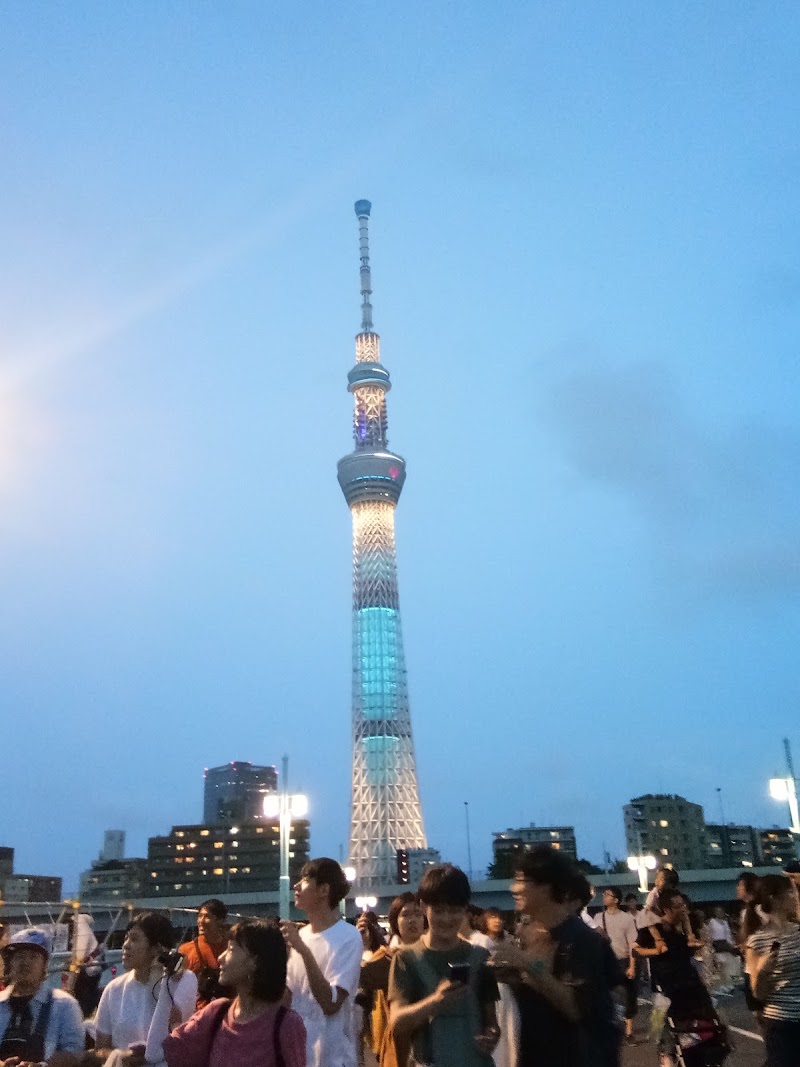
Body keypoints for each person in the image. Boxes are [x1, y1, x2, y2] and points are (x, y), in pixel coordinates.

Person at [493, 847, 619, 1067]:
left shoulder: (581, 939)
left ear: (546, 886)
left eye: (521, 881)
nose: (513, 889)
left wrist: (526, 963)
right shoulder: (528, 932)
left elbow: (575, 1008)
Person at [389, 864, 499, 1067]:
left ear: (466, 909)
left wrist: (491, 1034)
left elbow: (491, 1020)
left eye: (455, 910)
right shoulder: (406, 958)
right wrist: (435, 1002)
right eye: (438, 911)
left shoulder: (480, 957)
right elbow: (396, 1023)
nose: (446, 919)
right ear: (423, 907)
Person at [158, 918, 306, 1067]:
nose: (220, 958)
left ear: (254, 961)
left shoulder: (286, 1025)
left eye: (230, 950)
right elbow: (171, 1050)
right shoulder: (217, 1012)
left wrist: (176, 1023)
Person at [282, 858, 362, 1067]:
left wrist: (302, 950)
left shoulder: (349, 937)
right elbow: (287, 998)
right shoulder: (301, 935)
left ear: (324, 890)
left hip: (333, 1057)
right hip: (298, 1054)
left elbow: (330, 1003)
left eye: (306, 880)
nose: (296, 886)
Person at [92, 912, 198, 1067]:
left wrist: (158, 975)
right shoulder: (113, 989)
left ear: (157, 949)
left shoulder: (181, 982)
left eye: (134, 939)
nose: (126, 945)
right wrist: (121, 1056)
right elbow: (100, 1050)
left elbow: (167, 1038)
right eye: (126, 938)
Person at [633, 887, 714, 1067]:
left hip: (687, 984)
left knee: (697, 1025)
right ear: (667, 909)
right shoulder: (653, 929)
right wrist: (656, 951)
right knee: (661, 1030)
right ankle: (666, 1057)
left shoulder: (680, 930)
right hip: (664, 987)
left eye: (683, 905)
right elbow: (636, 949)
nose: (682, 909)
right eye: (678, 906)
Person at [0, 927, 84, 1066]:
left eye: (33, 957)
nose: (25, 962)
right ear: (10, 963)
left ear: (45, 966)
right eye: (20, 956)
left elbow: (75, 1053)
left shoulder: (65, 1005)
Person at [359, 894, 424, 1067]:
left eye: (417, 914)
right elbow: (359, 976)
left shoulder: (434, 954)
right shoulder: (387, 957)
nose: (412, 920)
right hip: (398, 1045)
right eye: (405, 915)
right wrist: (362, 946)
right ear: (395, 921)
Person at [745, 873, 800, 1066]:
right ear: (774, 898)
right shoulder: (757, 941)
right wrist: (764, 971)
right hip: (782, 1023)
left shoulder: (798, 932)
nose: (794, 897)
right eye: (790, 893)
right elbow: (758, 994)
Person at [594, 887, 638, 1043]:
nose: (604, 896)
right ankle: (611, 1026)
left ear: (616, 900)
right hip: (605, 960)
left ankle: (629, 1031)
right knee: (607, 994)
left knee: (628, 994)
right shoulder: (598, 917)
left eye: (607, 894)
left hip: (623, 959)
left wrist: (632, 965)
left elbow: (633, 943)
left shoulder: (626, 919)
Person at [179, 899, 230, 1009]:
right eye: (199, 916)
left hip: (227, 1011)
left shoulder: (230, 948)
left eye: (207, 917)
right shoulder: (186, 950)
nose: (201, 921)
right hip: (197, 1014)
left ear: (220, 921)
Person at [705, 906, 740, 994]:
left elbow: (728, 934)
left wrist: (731, 944)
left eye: (722, 912)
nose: (720, 913)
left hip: (726, 945)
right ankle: (722, 985)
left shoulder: (725, 922)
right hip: (717, 945)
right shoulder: (711, 922)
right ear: (715, 913)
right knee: (720, 966)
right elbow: (709, 934)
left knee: (728, 965)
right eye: (718, 912)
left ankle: (729, 984)